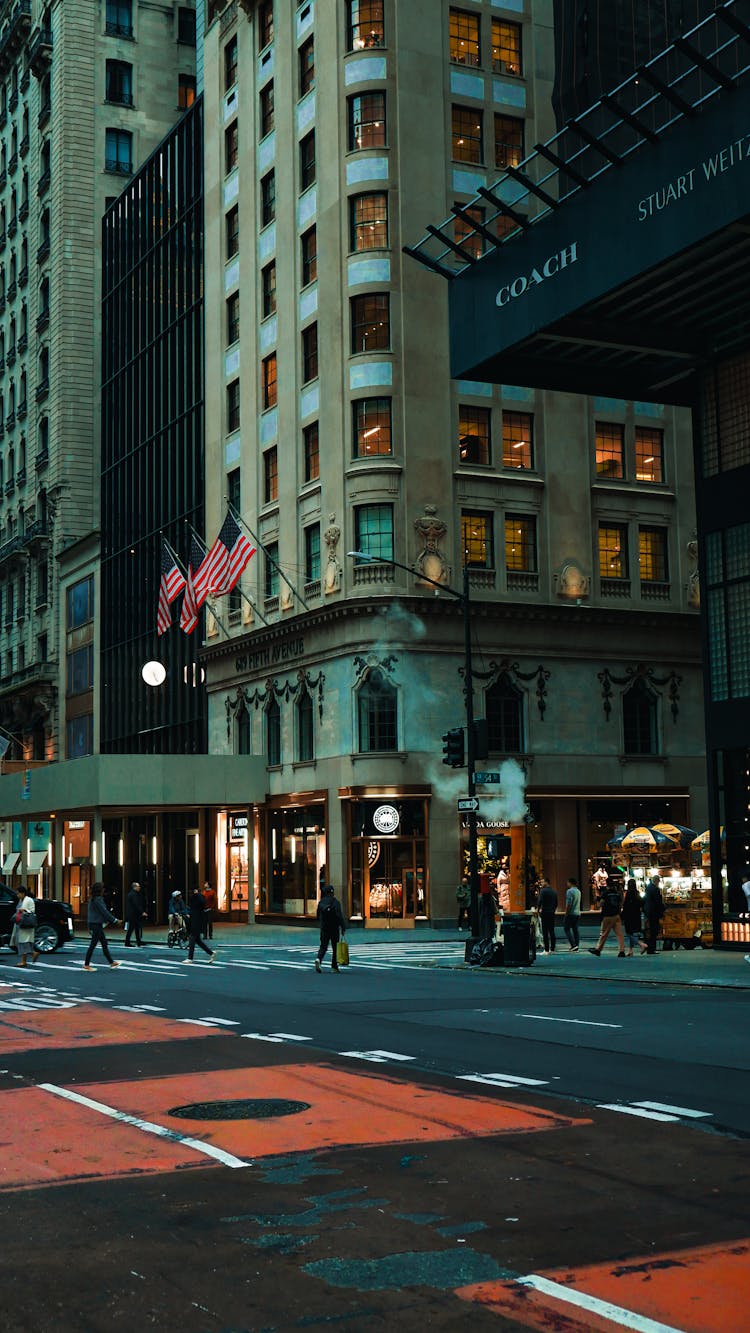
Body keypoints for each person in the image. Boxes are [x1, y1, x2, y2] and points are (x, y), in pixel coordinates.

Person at [84, 882, 121, 971]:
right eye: (103, 888)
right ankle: (86, 965)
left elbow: (93, 914)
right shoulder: (98, 900)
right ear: (100, 890)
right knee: (93, 945)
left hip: (94, 924)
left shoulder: (92, 899)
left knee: (104, 943)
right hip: (96, 925)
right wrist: (115, 920)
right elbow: (104, 912)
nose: (104, 889)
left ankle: (112, 963)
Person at [588, 878, 626, 957]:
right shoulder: (617, 893)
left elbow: (601, 904)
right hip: (616, 915)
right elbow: (620, 903)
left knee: (604, 933)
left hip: (607, 915)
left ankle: (598, 949)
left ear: (607, 884)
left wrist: (598, 901)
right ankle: (622, 950)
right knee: (619, 934)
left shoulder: (605, 893)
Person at [315, 883, 346, 972]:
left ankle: (318, 959)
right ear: (332, 893)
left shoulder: (321, 902)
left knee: (323, 946)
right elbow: (339, 916)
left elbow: (317, 915)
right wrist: (343, 927)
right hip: (334, 928)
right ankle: (334, 966)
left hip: (324, 927)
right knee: (335, 947)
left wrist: (321, 923)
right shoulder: (335, 902)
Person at [185, 886, 216, 963]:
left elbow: (201, 904)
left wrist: (197, 894)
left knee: (192, 938)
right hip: (196, 919)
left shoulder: (199, 897)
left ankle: (190, 958)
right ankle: (211, 953)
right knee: (198, 940)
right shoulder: (197, 898)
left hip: (197, 920)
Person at [622, 877, 647, 956]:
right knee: (633, 933)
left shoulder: (629, 894)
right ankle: (630, 950)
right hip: (636, 916)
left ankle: (641, 944)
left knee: (629, 933)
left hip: (629, 916)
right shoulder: (637, 893)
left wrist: (622, 915)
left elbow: (626, 906)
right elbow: (642, 902)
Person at [15, 889, 39, 968]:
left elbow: (32, 911)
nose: (17, 895)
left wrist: (24, 910)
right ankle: (32, 954)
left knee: (23, 942)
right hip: (21, 923)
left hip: (26, 923)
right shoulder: (21, 900)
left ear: (23, 893)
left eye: (18, 893)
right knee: (24, 942)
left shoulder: (29, 900)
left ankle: (24, 961)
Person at [643, 873, 665, 955]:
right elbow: (658, 902)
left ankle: (649, 948)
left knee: (650, 930)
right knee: (654, 931)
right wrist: (662, 911)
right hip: (654, 912)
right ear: (656, 881)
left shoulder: (648, 888)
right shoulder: (655, 889)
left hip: (648, 911)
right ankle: (652, 949)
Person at [536, 877, 558, 953]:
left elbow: (540, 901)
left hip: (545, 912)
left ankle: (546, 949)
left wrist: (538, 910)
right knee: (551, 931)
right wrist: (553, 910)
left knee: (545, 931)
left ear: (546, 882)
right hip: (551, 912)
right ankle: (552, 948)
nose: (541, 884)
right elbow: (556, 903)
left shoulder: (543, 891)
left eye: (542, 882)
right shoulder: (554, 891)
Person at [124, 880, 147, 947]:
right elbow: (136, 904)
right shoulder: (133, 894)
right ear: (134, 887)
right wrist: (142, 912)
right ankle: (128, 942)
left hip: (134, 914)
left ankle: (138, 941)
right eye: (138, 886)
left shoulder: (132, 894)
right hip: (133, 914)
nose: (139, 887)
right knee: (131, 928)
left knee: (137, 928)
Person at [564, 876, 581, 951]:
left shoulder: (569, 891)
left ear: (570, 883)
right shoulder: (578, 891)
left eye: (567, 882)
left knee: (566, 928)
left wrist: (566, 913)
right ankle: (576, 945)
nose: (567, 884)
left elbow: (569, 904)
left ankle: (573, 944)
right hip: (577, 913)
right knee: (575, 929)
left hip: (571, 913)